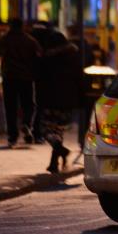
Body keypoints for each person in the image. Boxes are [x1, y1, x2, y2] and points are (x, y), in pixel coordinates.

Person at [37, 29, 85, 173]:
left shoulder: (47, 59)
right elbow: (79, 78)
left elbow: (40, 80)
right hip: (67, 101)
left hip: (50, 99)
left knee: (45, 130)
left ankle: (61, 151)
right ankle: (54, 163)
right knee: (58, 130)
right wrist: (80, 98)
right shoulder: (73, 56)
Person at [0, 18, 42, 147]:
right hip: (26, 77)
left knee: (10, 107)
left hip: (9, 77)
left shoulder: (5, 39)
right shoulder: (30, 40)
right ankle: (26, 123)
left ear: (10, 26)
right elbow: (39, 56)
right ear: (22, 26)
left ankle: (12, 136)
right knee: (29, 105)